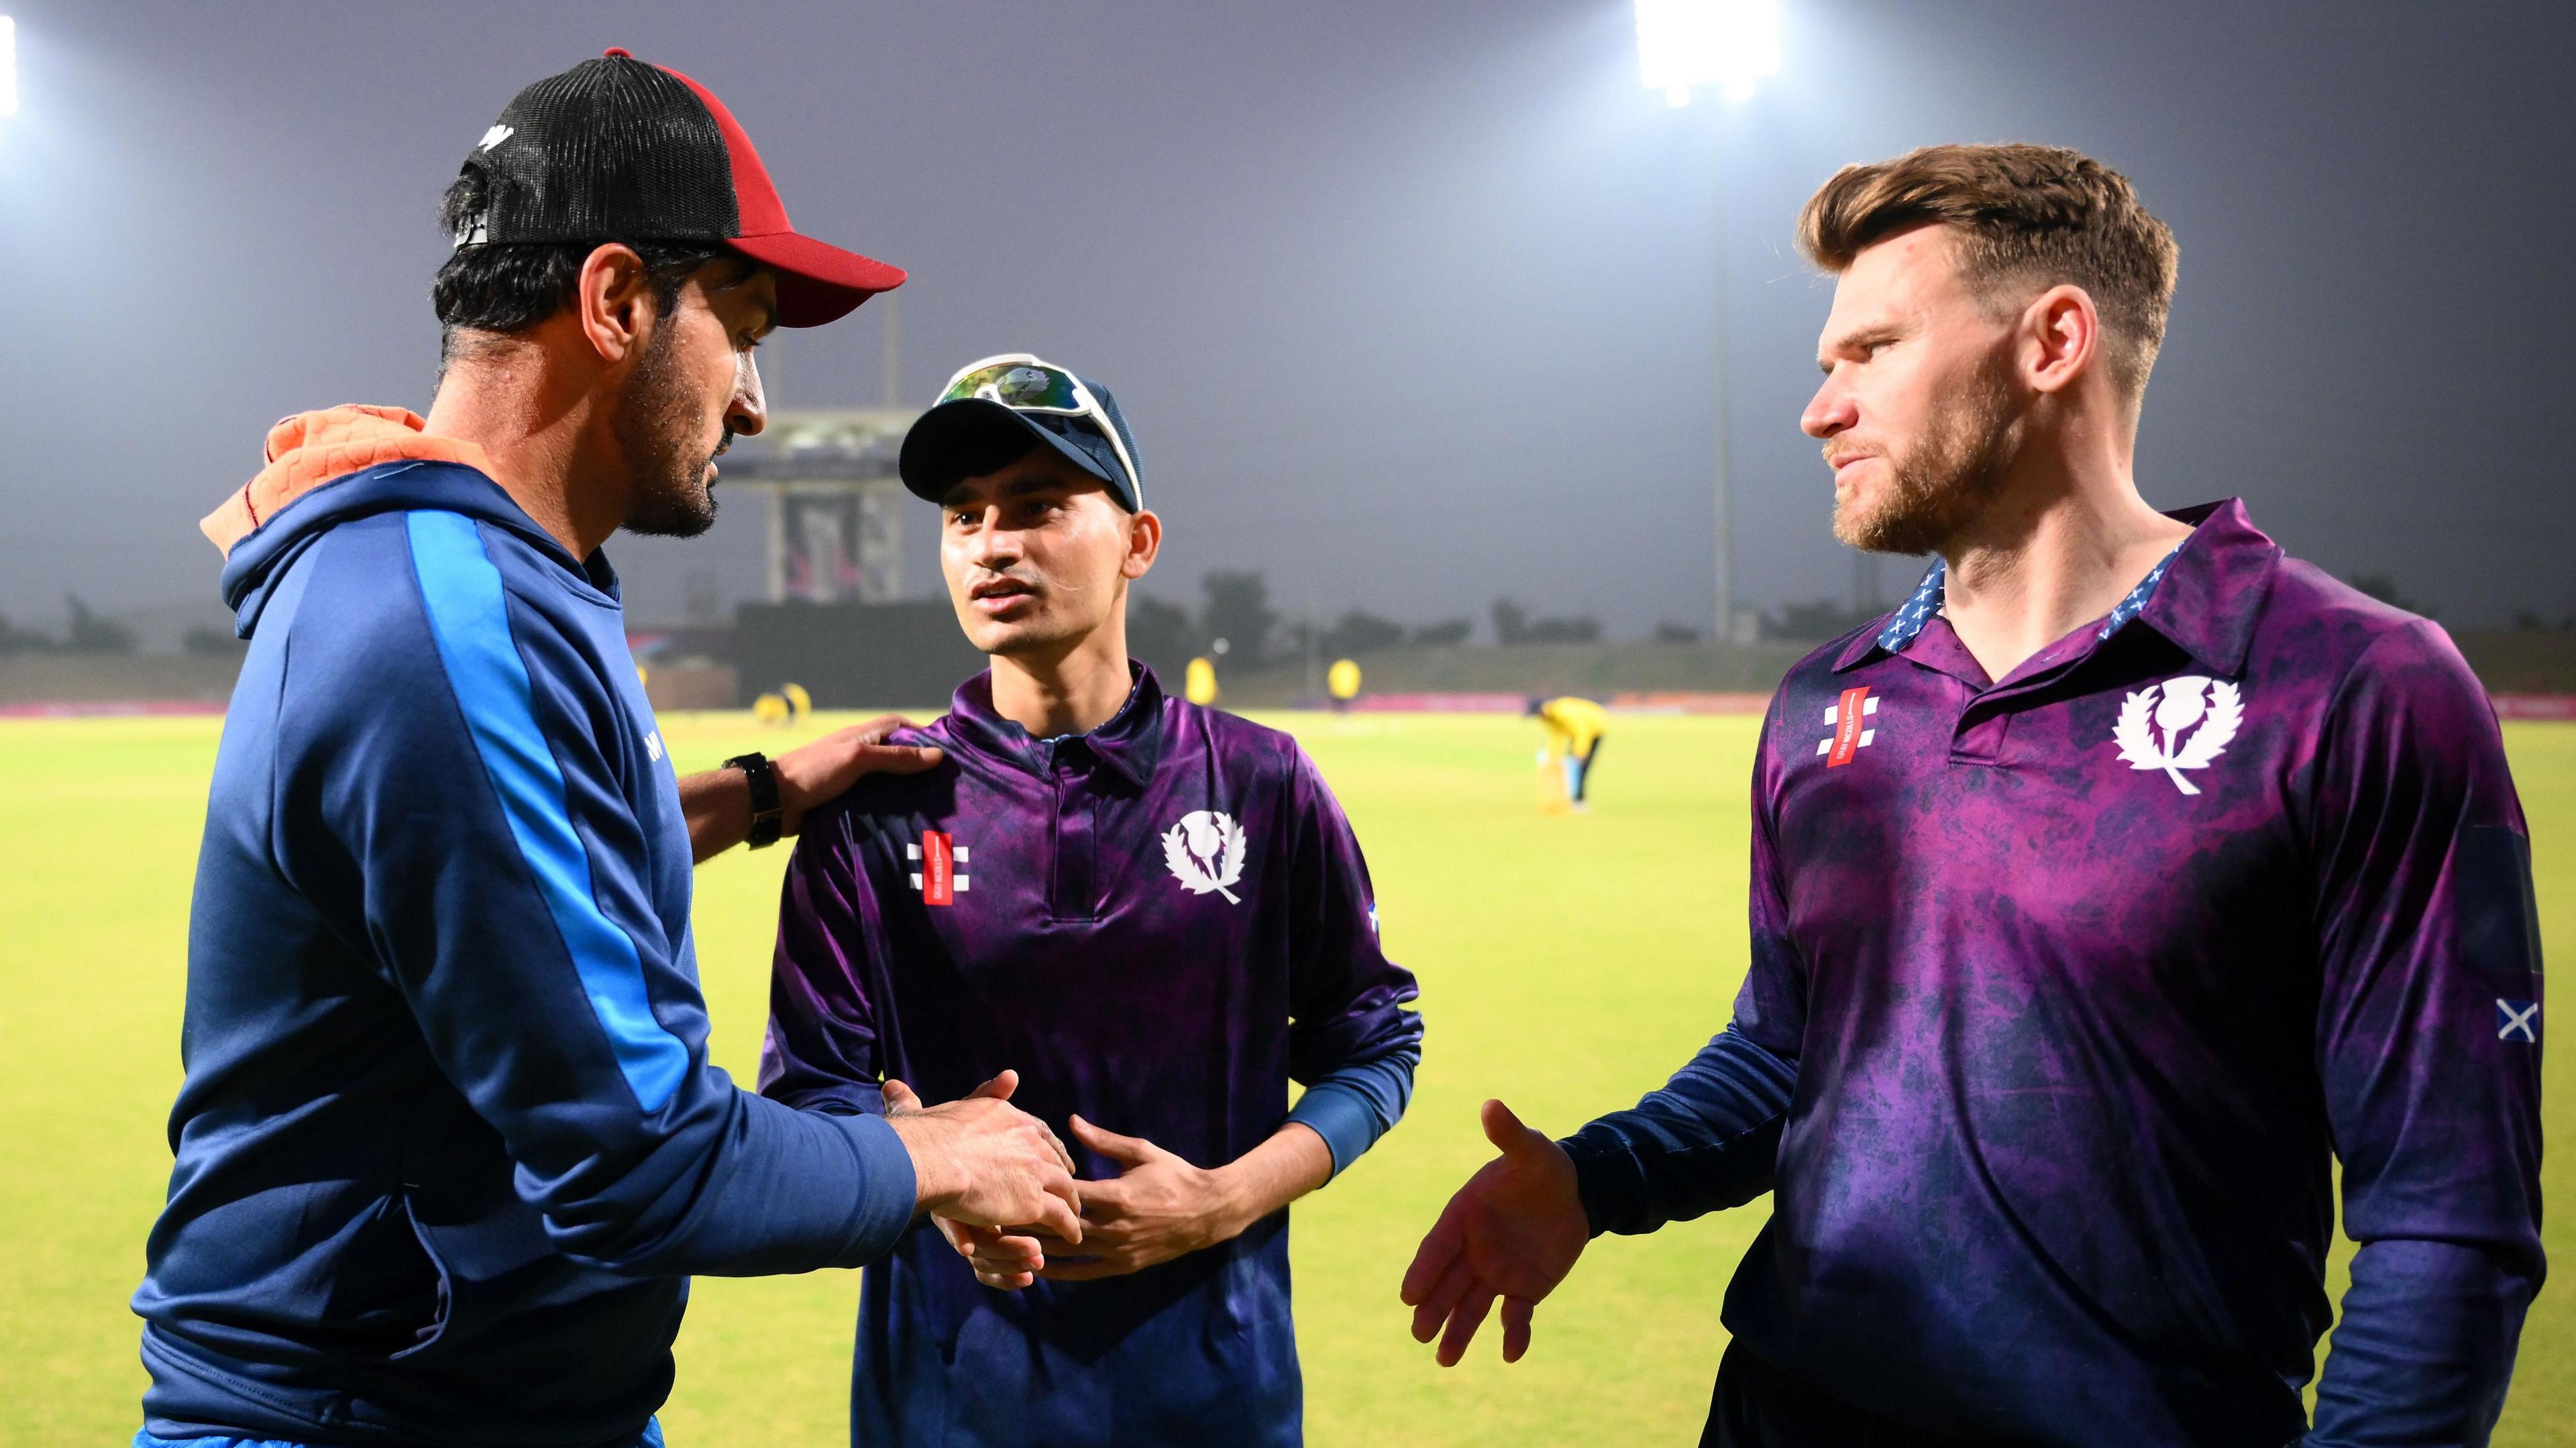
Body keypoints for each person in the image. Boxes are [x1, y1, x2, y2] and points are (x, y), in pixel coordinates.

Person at [1401, 144, 2543, 1447]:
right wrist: (1599, 1176)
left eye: (1871, 350)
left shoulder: (2349, 687)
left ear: (2053, 340)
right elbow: (1789, 1048)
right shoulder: (1827, 704)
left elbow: (2447, 1213)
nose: (1818, 408)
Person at [134, 54, 1083, 1448]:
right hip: (366, 1413)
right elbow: (643, 1164)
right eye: (743, 329)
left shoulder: (481, 570)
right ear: (617, 300)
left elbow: (510, 868)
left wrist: (759, 794)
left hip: (491, 1395)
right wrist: (931, 1152)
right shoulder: (442, 620)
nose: (754, 402)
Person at [759, 352, 1424, 1447]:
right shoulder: (877, 804)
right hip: (944, 1404)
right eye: (963, 515)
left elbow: (1374, 1047)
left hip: (1216, 1399)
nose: (993, 543)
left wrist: (1229, 1196)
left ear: (1138, 541)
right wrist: (931, 1171)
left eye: (1040, 505)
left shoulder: (1260, 781)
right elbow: (811, 1091)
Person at [1527, 695, 1609, 809]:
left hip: (1595, 727)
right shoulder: (1548, 719)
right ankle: (1572, 798)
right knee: (1571, 766)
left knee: (1582, 766)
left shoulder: (1563, 713)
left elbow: (1582, 731)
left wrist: (1580, 752)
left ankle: (1579, 801)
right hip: (1578, 732)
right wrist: (1552, 756)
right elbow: (1556, 736)